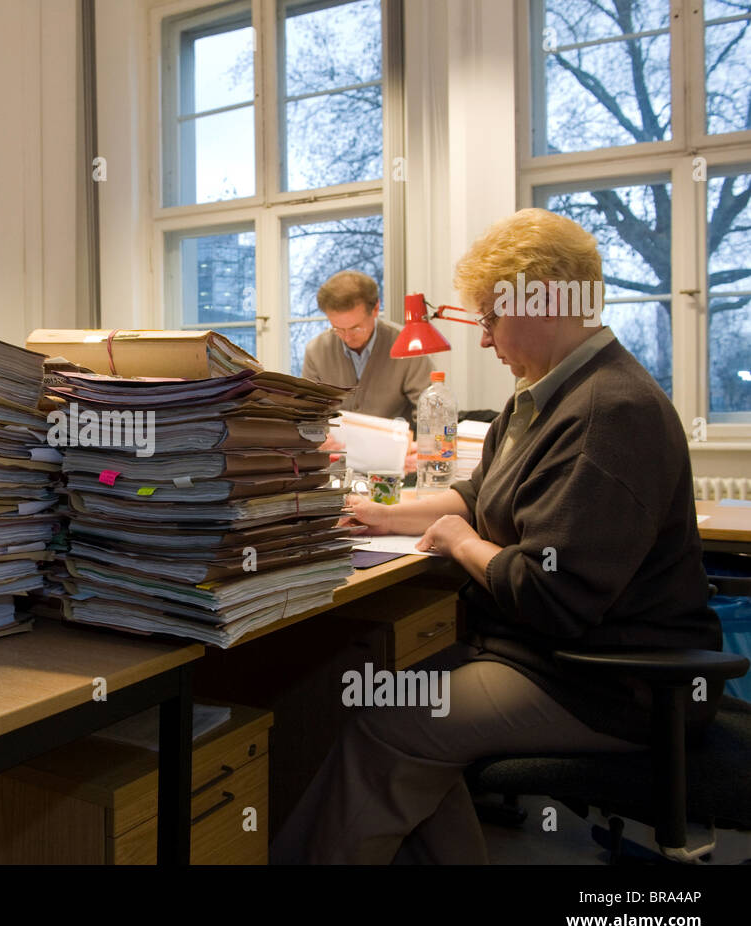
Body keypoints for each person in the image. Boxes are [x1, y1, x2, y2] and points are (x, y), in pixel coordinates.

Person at [272, 208, 722, 864]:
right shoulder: (537, 396)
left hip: (605, 680)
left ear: (539, 302)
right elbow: (479, 495)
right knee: (382, 697)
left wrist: (460, 542)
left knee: (388, 723)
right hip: (541, 655)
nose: (483, 340)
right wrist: (385, 513)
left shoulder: (610, 411)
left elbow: (551, 592)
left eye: (489, 318)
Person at [302, 270, 434, 422]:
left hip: (395, 443)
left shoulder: (408, 346)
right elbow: (309, 414)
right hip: (338, 445)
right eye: (337, 328)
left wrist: (420, 442)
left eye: (355, 328)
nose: (347, 337)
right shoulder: (316, 351)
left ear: (376, 309)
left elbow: (430, 410)